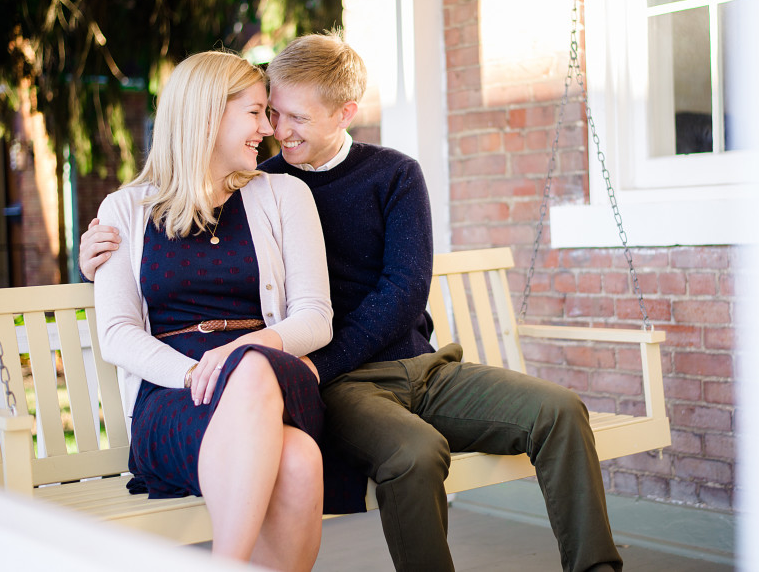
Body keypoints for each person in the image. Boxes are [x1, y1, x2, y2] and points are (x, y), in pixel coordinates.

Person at [82, 32, 624, 572]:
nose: (274, 129)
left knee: (560, 410)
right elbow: (133, 300)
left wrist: (302, 364)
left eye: (293, 116)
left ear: (345, 112)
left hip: (396, 363)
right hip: (322, 382)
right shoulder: (251, 184)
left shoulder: (375, 177)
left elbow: (401, 292)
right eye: (267, 112)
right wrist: (97, 259)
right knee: (410, 453)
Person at [92, 50, 333, 571]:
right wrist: (197, 373)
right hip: (174, 395)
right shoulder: (125, 209)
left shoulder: (284, 195)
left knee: (248, 369)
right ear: (206, 114)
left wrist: (239, 355)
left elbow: (315, 315)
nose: (268, 130)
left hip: (269, 379)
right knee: (298, 460)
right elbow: (116, 333)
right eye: (254, 112)